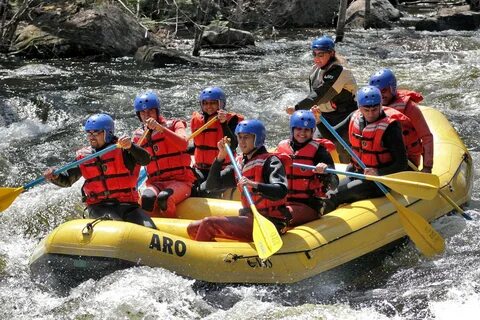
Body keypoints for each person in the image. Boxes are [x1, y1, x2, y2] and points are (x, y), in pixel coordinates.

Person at [43, 114, 156, 229]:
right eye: (89, 133)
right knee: (115, 225)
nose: (91, 137)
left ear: (108, 133)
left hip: (129, 206)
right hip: (99, 207)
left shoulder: (123, 149)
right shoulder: (84, 156)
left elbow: (146, 160)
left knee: (150, 229)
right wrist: (55, 177)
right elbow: (67, 180)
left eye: (96, 133)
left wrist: (131, 146)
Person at [187, 119, 291, 242]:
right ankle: (215, 256)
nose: (241, 142)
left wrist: (254, 185)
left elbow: (281, 190)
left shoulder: (271, 161)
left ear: (257, 139)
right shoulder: (240, 164)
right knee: (193, 228)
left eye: (246, 137)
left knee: (209, 223)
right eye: (240, 137)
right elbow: (211, 186)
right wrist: (220, 157)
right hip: (249, 219)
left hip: (270, 221)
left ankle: (202, 259)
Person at [326, 86, 408, 208]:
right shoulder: (355, 116)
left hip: (380, 181)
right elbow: (332, 135)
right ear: (359, 107)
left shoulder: (390, 128)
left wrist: (378, 172)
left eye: (375, 109)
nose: (371, 114)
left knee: (335, 195)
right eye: (366, 110)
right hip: (357, 173)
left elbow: (402, 164)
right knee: (326, 193)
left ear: (381, 105)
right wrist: (318, 121)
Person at [286, 35, 358, 163]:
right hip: (324, 117)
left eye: (321, 55)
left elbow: (321, 95)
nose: (317, 59)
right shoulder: (315, 70)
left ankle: (348, 170)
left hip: (345, 116)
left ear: (331, 54)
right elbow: (314, 95)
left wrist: (298, 108)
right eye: (315, 54)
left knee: (340, 147)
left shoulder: (340, 72)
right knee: (315, 145)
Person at [132, 92, 196, 218]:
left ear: (157, 112)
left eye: (150, 111)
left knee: (164, 198)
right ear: (139, 115)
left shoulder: (175, 125)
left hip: (181, 181)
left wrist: (161, 129)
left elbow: (184, 144)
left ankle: (171, 225)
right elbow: (135, 165)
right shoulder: (138, 137)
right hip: (155, 182)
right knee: (146, 198)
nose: (147, 115)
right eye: (143, 113)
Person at [276, 110, 339, 226]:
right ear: (292, 129)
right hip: (285, 202)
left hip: (310, 204)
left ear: (312, 131)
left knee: (278, 217)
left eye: (306, 130)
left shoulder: (320, 151)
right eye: (299, 129)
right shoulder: (282, 148)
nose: (302, 133)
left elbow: (334, 182)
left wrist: (325, 172)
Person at [369, 68, 434, 172]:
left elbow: (426, 137)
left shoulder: (410, 108)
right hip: (382, 157)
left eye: (384, 91)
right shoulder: (370, 108)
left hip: (407, 159)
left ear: (392, 89)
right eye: (378, 92)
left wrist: (427, 167)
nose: (381, 96)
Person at [189, 86, 244, 196]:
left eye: (213, 103)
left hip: (223, 168)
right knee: (190, 189)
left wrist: (223, 123)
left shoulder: (231, 120)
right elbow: (197, 146)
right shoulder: (197, 120)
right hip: (200, 168)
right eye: (205, 103)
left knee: (203, 191)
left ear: (221, 104)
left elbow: (233, 145)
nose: (209, 107)